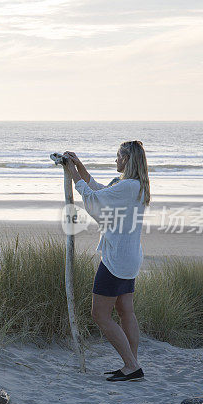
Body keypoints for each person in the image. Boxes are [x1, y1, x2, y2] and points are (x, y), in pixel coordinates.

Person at [63, 141, 151, 382]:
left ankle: (132, 365)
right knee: (125, 311)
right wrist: (79, 166)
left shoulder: (127, 186)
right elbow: (100, 189)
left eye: (118, 157)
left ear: (127, 159)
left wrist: (71, 174)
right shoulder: (133, 185)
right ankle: (132, 363)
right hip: (129, 257)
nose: (115, 161)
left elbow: (93, 198)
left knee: (99, 314)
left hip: (116, 258)